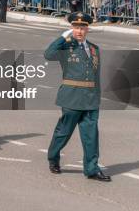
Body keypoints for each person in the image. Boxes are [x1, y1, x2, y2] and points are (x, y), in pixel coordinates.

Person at [44, 12, 111, 182]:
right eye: (76, 27)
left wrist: (97, 97)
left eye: (82, 27)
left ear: (87, 29)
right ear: (71, 28)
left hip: (90, 99)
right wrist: (62, 37)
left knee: (91, 136)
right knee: (64, 132)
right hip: (71, 97)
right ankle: (53, 158)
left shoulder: (95, 49)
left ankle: (92, 169)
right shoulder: (65, 47)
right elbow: (48, 54)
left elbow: (94, 75)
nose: (79, 31)